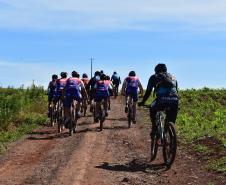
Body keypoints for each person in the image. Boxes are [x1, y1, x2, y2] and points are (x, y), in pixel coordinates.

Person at [138, 63, 179, 137]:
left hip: (161, 100)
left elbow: (148, 92)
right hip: (175, 100)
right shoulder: (173, 77)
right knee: (170, 120)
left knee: (152, 108)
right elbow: (176, 90)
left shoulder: (154, 77)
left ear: (156, 70)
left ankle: (154, 127)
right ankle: (168, 134)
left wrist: (142, 102)